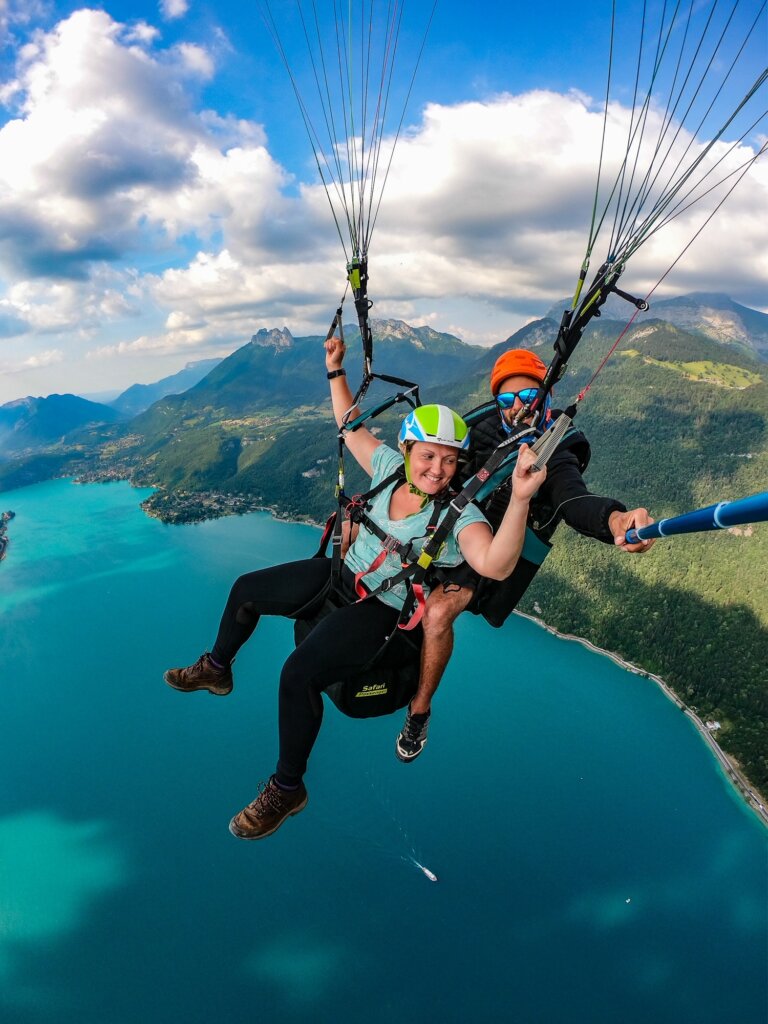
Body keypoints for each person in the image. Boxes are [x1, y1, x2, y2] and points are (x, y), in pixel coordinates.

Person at [163, 336, 547, 841]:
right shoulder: (389, 469)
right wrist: (333, 369)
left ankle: (287, 787)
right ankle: (217, 669)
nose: (438, 469)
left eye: (450, 460)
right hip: (338, 577)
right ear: (408, 450)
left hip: (380, 608)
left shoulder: (459, 516)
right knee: (245, 590)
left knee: (297, 674)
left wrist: (519, 499)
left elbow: (495, 565)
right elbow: (349, 425)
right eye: (428, 456)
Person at [394, 347, 655, 764]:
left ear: (546, 397)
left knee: (439, 613)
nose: (518, 408)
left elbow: (573, 500)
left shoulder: (558, 448)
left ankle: (419, 709)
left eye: (528, 397)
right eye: (506, 400)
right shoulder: (477, 427)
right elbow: (432, 460)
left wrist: (616, 521)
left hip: (497, 540)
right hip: (446, 527)